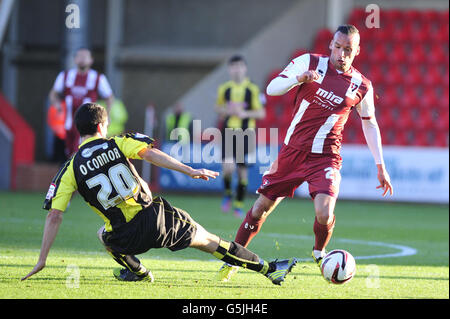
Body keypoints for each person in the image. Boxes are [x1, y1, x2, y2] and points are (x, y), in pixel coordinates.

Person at [21, 103, 297, 285]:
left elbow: (55, 215)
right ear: (102, 126)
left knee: (102, 236)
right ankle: (268, 269)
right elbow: (151, 154)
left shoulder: (69, 167)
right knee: (212, 242)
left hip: (123, 235)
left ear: (78, 130)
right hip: (156, 218)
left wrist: (42, 258)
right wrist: (189, 170)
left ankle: (139, 272)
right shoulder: (117, 142)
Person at [218, 24, 394, 281]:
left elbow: (369, 122)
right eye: (338, 47)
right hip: (291, 152)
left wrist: (381, 165)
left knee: (324, 212)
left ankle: (319, 252)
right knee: (260, 209)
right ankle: (234, 258)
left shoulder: (361, 85)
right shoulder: (309, 63)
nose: (341, 54)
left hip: (326, 156)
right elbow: (272, 89)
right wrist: (297, 80)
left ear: (357, 51)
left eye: (348, 50)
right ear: (331, 45)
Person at [215, 55, 265, 218]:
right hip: (229, 131)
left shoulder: (252, 89)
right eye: (234, 66)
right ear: (230, 69)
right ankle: (228, 194)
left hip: (246, 133)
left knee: (242, 171)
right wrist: (226, 111)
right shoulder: (225, 88)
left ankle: (238, 205)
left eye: (240, 66)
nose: (237, 69)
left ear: (245, 68)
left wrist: (245, 113)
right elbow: (218, 107)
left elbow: (261, 112)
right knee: (228, 168)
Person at [49, 47, 114, 158]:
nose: (82, 59)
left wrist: (106, 115)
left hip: (88, 123)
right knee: (69, 153)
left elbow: (110, 97)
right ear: (74, 59)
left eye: (85, 57)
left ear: (91, 60)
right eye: (79, 56)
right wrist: (57, 105)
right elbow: (53, 93)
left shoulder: (98, 78)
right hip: (68, 122)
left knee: (79, 153)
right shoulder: (65, 76)